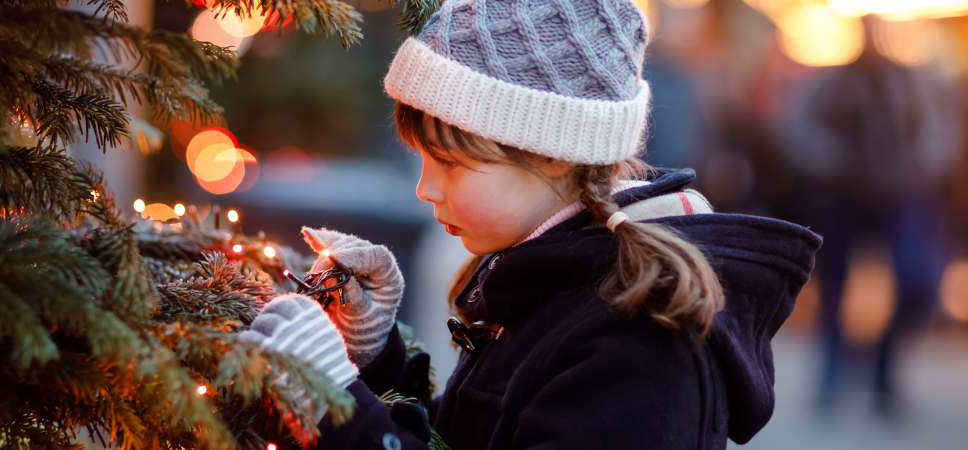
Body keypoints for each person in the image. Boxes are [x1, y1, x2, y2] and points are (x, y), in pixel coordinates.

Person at [236, 0, 821, 448]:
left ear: (553, 151)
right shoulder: (542, 275)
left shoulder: (638, 348)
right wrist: (375, 357)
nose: (424, 188)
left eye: (451, 163)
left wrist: (335, 403)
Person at [782, 15, 959, 415]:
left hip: (901, 196)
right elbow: (801, 132)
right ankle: (832, 372)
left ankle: (884, 370)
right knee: (835, 286)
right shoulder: (832, 83)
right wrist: (836, 163)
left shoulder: (912, 82)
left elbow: (937, 135)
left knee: (913, 277)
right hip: (842, 196)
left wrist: (911, 170)